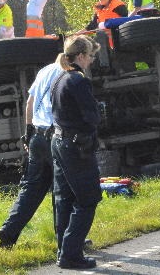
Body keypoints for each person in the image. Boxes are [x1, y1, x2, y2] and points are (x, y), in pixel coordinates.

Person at [0, 60, 63, 249]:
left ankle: (8, 233)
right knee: (61, 189)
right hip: (54, 136)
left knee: (30, 188)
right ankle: (65, 240)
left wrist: (27, 134)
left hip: (36, 137)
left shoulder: (44, 71)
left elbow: (29, 103)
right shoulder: (68, 73)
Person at [50, 35, 102, 269]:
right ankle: (71, 253)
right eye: (90, 56)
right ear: (80, 56)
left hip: (59, 141)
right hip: (75, 145)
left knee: (65, 199)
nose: (91, 60)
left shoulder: (59, 79)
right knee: (88, 199)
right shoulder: (78, 81)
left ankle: (64, 249)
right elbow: (91, 116)